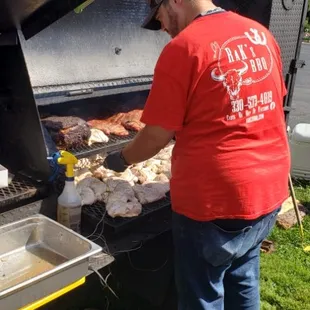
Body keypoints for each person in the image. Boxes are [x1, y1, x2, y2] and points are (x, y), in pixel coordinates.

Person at [103, 0, 291, 309]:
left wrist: (122, 159)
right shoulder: (259, 34)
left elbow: (155, 135)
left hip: (214, 202)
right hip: (268, 191)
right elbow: (261, 104)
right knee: (242, 277)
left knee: (201, 296)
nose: (162, 27)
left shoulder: (185, 48)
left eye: (160, 16)